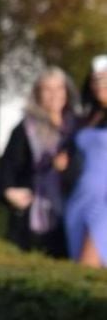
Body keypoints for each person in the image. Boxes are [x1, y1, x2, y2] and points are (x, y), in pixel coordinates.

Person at [0, 67, 79, 258]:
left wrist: (67, 169)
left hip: (69, 212)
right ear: (37, 93)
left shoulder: (78, 126)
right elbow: (8, 166)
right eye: (47, 89)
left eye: (59, 88)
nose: (54, 95)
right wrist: (8, 191)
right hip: (31, 215)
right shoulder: (25, 129)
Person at [64, 58, 107, 267]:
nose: (100, 84)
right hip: (80, 198)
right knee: (83, 270)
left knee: (87, 262)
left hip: (104, 202)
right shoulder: (87, 118)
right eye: (96, 79)